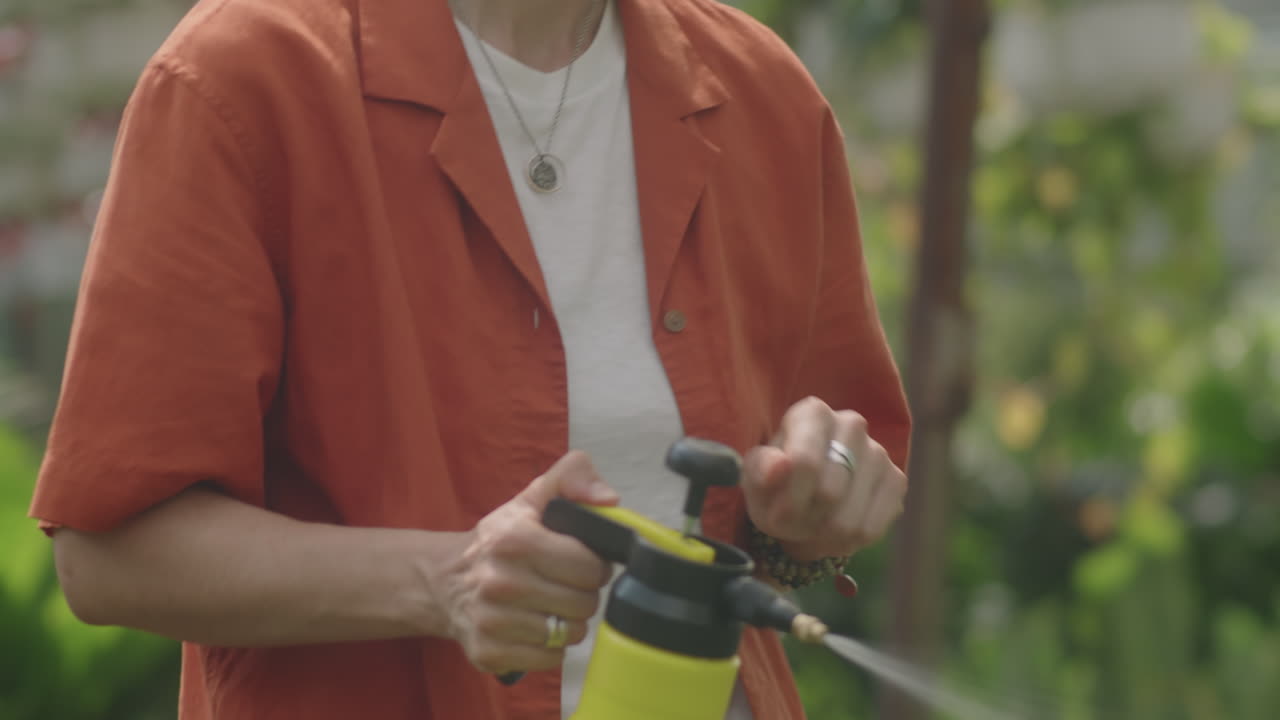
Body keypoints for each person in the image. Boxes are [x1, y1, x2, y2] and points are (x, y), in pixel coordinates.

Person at [28, 0, 912, 717]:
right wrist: (442, 581)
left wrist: (814, 506)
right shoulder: (243, 79)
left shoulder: (765, 96)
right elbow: (110, 554)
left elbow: (804, 508)